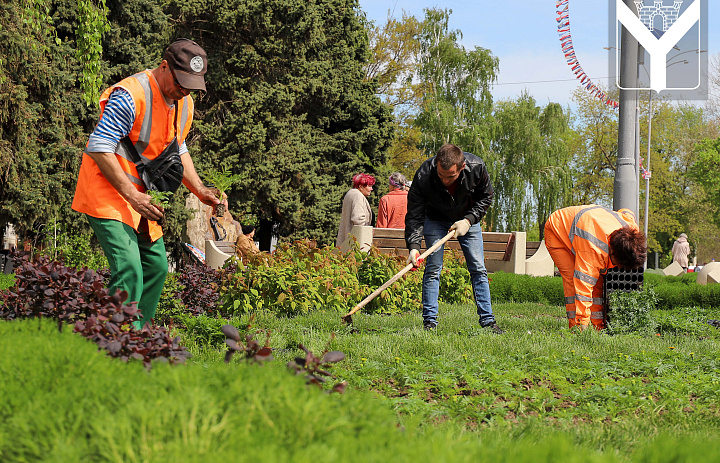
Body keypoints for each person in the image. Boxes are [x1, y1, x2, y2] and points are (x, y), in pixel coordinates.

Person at [72, 39, 223, 329]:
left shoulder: (183, 104)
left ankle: (136, 341)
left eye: (192, 86)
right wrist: (132, 196)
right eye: (181, 82)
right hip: (107, 191)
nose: (185, 91)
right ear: (164, 67)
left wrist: (201, 191)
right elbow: (99, 145)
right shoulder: (131, 94)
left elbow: (177, 148)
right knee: (129, 267)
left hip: (141, 198)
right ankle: (113, 343)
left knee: (156, 267)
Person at [405, 143, 503, 333]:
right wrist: (414, 246)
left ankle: (488, 321)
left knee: (478, 268)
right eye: (440, 175)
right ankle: (430, 323)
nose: (444, 180)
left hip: (467, 219)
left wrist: (469, 220)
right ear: (436, 164)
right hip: (435, 219)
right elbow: (415, 214)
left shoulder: (476, 167)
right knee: (433, 268)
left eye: (450, 176)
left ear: (462, 167)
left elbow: (486, 197)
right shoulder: (424, 175)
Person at [544, 205, 646, 331]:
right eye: (618, 263)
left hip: (583, 226)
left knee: (597, 281)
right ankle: (578, 328)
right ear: (612, 251)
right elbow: (583, 290)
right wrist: (584, 327)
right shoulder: (594, 248)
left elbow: (627, 212)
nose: (618, 267)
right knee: (573, 281)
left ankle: (598, 327)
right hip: (557, 230)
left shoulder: (630, 228)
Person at [336, 173, 375, 248]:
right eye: (369, 186)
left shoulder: (350, 193)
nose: (371, 189)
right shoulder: (358, 196)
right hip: (356, 241)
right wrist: (367, 232)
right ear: (360, 186)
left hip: (348, 240)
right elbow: (358, 218)